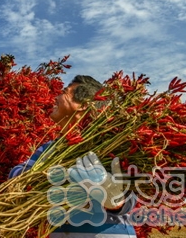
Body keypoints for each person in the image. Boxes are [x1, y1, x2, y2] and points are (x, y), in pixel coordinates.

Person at [9, 75, 137, 237]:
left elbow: (131, 195)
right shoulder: (48, 149)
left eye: (64, 92)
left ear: (83, 105)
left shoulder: (109, 146)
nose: (55, 98)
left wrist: (113, 197)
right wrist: (48, 176)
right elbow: (15, 176)